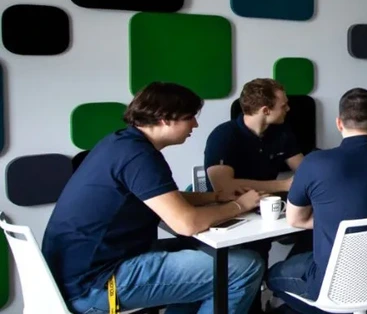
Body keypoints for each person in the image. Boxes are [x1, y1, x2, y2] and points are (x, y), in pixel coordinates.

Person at [43, 82, 264, 314]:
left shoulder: (119, 143)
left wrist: (215, 196)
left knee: (208, 259)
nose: (195, 124)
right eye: (190, 117)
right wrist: (240, 205)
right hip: (96, 284)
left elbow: (162, 198)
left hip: (79, 274)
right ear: (165, 118)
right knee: (244, 267)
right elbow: (187, 224)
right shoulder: (139, 157)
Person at [267, 88, 367, 314]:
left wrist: (335, 219)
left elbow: (295, 220)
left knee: (272, 275)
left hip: (332, 284)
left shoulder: (315, 163)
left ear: (338, 123)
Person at [204, 78, 303, 196]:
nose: (288, 109)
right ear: (266, 111)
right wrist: (283, 185)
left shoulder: (282, 132)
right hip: (229, 204)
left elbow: (304, 169)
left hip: (267, 201)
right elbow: (223, 187)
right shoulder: (222, 136)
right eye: (283, 106)